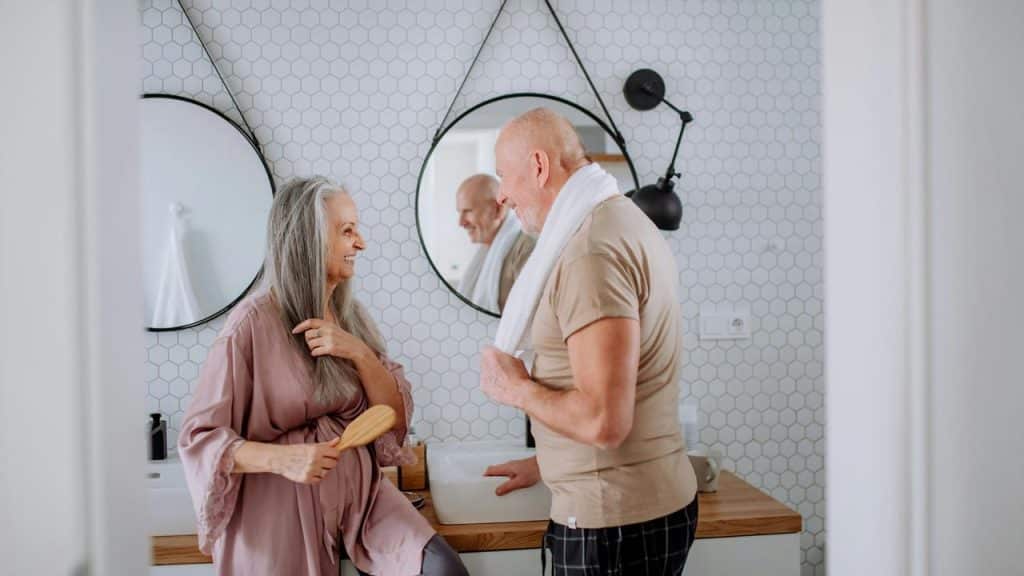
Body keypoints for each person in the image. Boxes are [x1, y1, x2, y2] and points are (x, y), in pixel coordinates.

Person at [178, 176, 467, 576]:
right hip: (276, 508)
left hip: (363, 500)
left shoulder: (353, 318)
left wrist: (359, 352)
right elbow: (199, 438)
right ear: (308, 239)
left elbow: (392, 415)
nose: (360, 243)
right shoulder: (250, 325)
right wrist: (284, 459)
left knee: (442, 569)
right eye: (347, 231)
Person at [479, 108, 700, 575]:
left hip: (612, 521)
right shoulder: (618, 219)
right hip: (633, 507)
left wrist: (514, 388)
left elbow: (604, 422)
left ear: (538, 167)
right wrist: (547, 462)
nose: (501, 196)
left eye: (504, 176)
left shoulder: (588, 251)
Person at [455, 173, 535, 312]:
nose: (461, 223)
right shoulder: (486, 251)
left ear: (498, 209)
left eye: (468, 211)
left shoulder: (526, 248)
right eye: (459, 212)